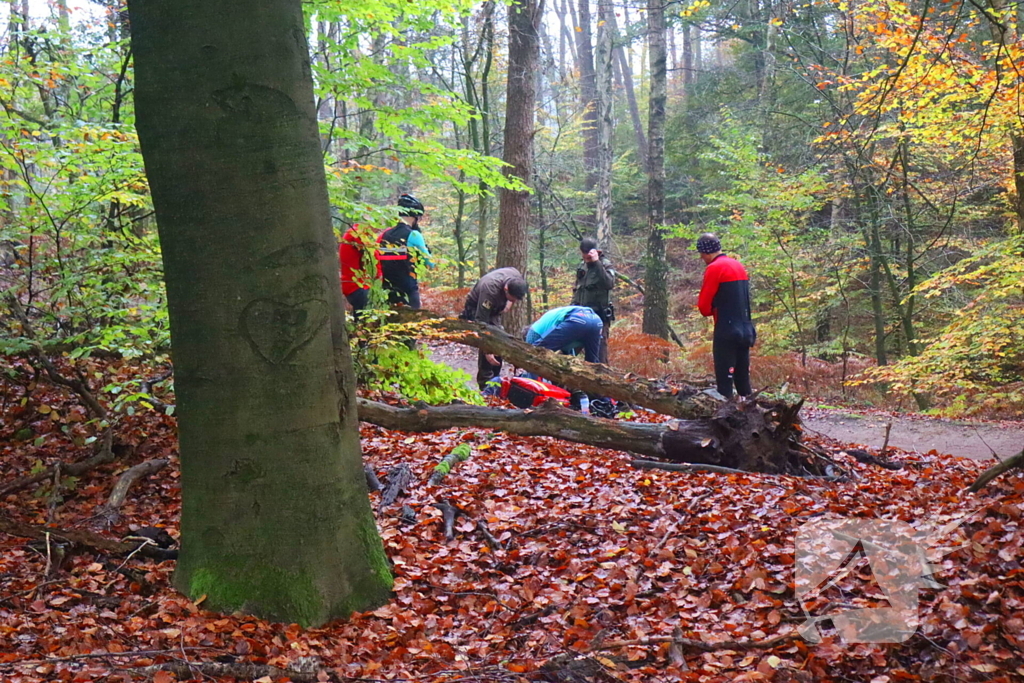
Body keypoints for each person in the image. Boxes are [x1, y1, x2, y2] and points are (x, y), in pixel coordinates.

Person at [696, 233, 756, 399]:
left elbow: (704, 307)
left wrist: (715, 308)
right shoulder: (738, 265)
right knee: (743, 383)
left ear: (706, 252)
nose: (701, 257)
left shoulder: (714, 268)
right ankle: (751, 411)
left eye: (701, 253)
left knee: (724, 387)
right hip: (746, 330)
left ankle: (726, 413)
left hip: (726, 330)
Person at [459, 267, 529, 390]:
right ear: (506, 289)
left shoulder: (515, 275)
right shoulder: (490, 290)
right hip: (476, 308)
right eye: (512, 298)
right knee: (490, 341)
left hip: (495, 308)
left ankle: (495, 381)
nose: (514, 301)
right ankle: (485, 385)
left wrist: (508, 303)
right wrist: (487, 350)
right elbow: (481, 324)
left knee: (500, 340)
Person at [376, 193, 434, 308]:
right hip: (409, 292)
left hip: (387, 293)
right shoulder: (414, 235)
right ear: (415, 216)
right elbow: (430, 264)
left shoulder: (385, 234)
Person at [571, 237, 615, 363]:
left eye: (588, 256)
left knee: (598, 357)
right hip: (580, 316)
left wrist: (596, 263)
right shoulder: (582, 266)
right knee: (569, 351)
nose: (586, 259)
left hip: (599, 317)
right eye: (584, 255)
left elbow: (609, 283)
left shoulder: (605, 264)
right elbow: (577, 290)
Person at [525, 305, 603, 363]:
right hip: (597, 320)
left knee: (534, 353)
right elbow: (568, 355)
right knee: (593, 364)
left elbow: (532, 351)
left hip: (576, 319)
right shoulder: (552, 327)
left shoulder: (532, 333)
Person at [338, 224, 375, 319]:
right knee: (364, 317)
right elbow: (373, 256)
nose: (379, 229)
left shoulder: (354, 232)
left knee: (361, 317)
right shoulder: (357, 234)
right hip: (356, 285)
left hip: (354, 284)